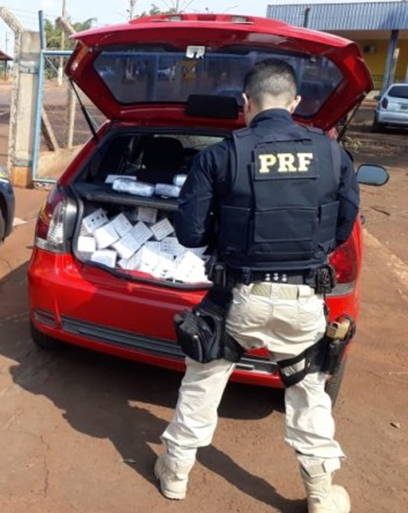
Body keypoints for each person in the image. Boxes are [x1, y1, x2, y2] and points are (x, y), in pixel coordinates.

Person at [155, 59, 360, 513]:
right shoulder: (331, 154)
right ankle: (322, 495)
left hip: (237, 299)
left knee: (203, 383)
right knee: (309, 393)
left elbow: (189, 233)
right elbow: (343, 226)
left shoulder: (221, 154)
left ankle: (174, 475)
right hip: (304, 299)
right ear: (295, 103)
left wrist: (225, 242)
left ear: (245, 103)